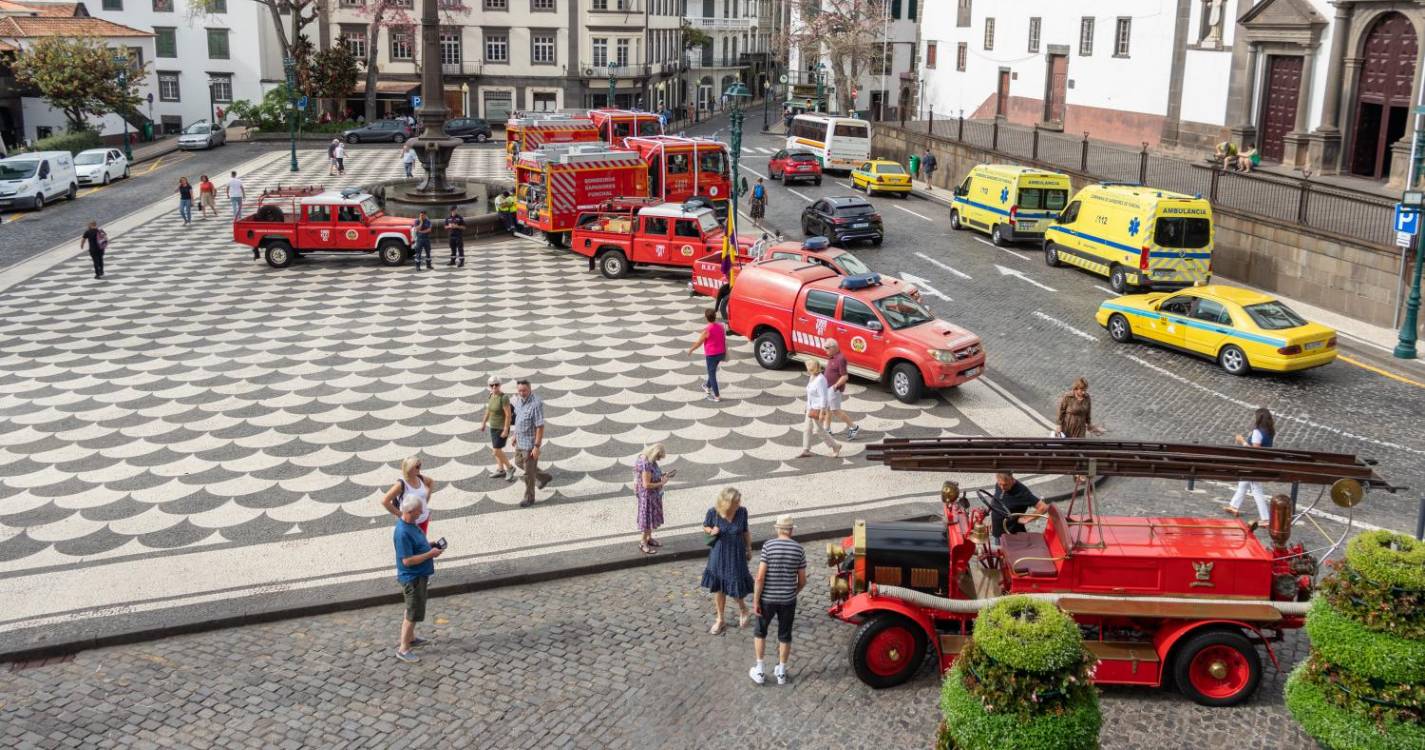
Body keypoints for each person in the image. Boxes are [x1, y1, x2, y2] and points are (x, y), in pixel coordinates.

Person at [749, 514, 806, 686]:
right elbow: (802, 581)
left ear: (777, 529)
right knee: (785, 634)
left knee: (760, 632)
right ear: (791, 530)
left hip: (767, 599)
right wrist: (792, 592)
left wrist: (756, 601)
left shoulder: (768, 546)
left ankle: (760, 670)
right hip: (788, 600)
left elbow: (760, 577)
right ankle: (781, 672)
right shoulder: (799, 549)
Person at [393, 495, 442, 663]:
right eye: (419, 510)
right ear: (410, 511)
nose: (421, 513)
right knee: (412, 613)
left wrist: (429, 545)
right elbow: (407, 561)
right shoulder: (402, 532)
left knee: (412, 608)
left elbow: (416, 546)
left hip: (419, 576)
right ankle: (403, 649)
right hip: (412, 579)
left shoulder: (411, 524)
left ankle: (411, 638)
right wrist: (430, 554)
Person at [701, 487, 753, 635]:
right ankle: (720, 619)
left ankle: (743, 608)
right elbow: (705, 526)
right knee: (718, 588)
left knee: (735, 586)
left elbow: (745, 531)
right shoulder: (713, 512)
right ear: (726, 502)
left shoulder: (742, 512)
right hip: (718, 555)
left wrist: (749, 548)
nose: (738, 504)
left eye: (738, 501)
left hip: (736, 555)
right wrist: (711, 531)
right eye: (735, 502)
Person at [1226, 407, 1276, 521]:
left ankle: (1265, 518)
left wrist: (1242, 441)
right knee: (1243, 484)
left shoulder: (1258, 432)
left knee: (1257, 490)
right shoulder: (1270, 431)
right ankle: (1234, 506)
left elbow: (1254, 452)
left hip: (1254, 465)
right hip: (1262, 463)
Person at [511, 378, 553, 508]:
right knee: (518, 462)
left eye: (524, 390)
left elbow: (540, 427)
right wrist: (514, 435)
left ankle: (529, 498)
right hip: (520, 441)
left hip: (529, 444)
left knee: (528, 474)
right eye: (519, 391)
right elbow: (518, 418)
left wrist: (536, 447)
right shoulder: (519, 400)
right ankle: (544, 477)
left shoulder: (535, 404)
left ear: (530, 389)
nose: (522, 393)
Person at [989, 471, 1052, 542]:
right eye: (999, 484)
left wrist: (1027, 519)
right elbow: (997, 500)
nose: (1002, 487)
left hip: (1011, 535)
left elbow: (1043, 507)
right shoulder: (1000, 484)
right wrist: (993, 521)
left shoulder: (1022, 492)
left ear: (1011, 479)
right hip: (997, 532)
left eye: (1005, 485)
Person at [635, 443, 674, 554]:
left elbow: (650, 475)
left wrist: (661, 474)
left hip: (652, 496)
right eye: (658, 457)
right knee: (647, 520)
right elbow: (646, 485)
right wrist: (662, 483)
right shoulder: (646, 464)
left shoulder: (647, 459)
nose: (659, 459)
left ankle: (649, 538)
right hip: (648, 497)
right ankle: (643, 542)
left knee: (651, 519)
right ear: (654, 454)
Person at [380, 456, 436, 534]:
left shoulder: (420, 478)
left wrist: (426, 499)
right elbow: (384, 501)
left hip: (423, 519)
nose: (419, 468)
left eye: (420, 465)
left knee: (422, 540)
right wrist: (401, 515)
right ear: (409, 468)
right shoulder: (401, 484)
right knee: (412, 541)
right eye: (417, 466)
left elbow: (431, 482)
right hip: (410, 523)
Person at [798, 359, 840, 458]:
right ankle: (806, 450)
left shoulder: (821, 380)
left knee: (819, 430)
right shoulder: (812, 376)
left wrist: (822, 412)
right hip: (811, 407)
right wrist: (807, 406)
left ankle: (835, 446)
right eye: (808, 368)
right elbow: (810, 394)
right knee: (807, 429)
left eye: (810, 369)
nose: (808, 370)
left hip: (818, 408)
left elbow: (823, 397)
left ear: (815, 368)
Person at [479, 376, 515, 482]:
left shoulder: (504, 398)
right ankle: (500, 469)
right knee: (497, 449)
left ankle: (510, 468)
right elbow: (488, 410)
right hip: (493, 427)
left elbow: (508, 415)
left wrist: (506, 429)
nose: (494, 386)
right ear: (489, 386)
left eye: (496, 384)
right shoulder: (491, 395)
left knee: (496, 451)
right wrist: (483, 423)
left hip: (501, 428)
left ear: (500, 385)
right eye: (492, 385)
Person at [821, 340, 860, 439]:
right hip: (828, 388)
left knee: (835, 411)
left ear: (833, 348)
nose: (825, 350)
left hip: (834, 390)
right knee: (828, 409)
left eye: (827, 348)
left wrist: (835, 386)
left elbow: (845, 376)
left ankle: (853, 427)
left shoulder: (840, 359)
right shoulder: (832, 356)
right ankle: (827, 429)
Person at [687, 308, 726, 402]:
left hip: (712, 355)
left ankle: (717, 396)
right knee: (712, 370)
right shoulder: (721, 326)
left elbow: (699, 343)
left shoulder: (707, 330)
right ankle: (707, 386)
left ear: (706, 318)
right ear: (715, 317)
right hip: (721, 353)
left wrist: (691, 350)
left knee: (712, 374)